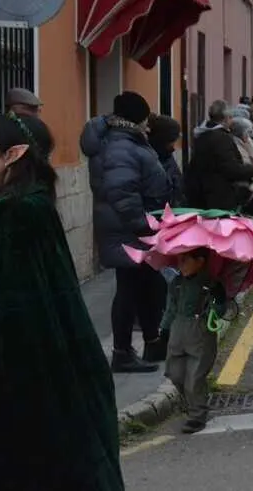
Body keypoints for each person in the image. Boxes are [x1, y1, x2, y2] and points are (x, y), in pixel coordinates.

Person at [0, 112, 124, 489]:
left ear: (13, 154)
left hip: (15, 384)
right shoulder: (4, 210)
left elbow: (13, 310)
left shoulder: (19, 215)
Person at [81, 91, 172, 372]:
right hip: (130, 230)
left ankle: (151, 341)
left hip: (130, 228)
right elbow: (122, 191)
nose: (148, 123)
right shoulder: (122, 146)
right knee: (131, 289)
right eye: (145, 117)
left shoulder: (122, 141)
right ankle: (123, 352)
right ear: (136, 117)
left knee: (148, 286)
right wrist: (144, 226)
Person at [162, 248, 245, 435]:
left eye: (186, 259)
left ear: (200, 261)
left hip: (200, 332)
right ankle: (191, 403)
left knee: (195, 377)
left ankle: (197, 415)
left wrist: (215, 308)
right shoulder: (176, 283)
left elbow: (222, 307)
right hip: (178, 332)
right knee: (175, 373)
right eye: (179, 259)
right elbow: (170, 308)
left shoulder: (211, 284)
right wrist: (164, 329)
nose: (180, 263)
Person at [185, 100, 253, 211]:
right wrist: (252, 169)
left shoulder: (201, 135)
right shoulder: (222, 138)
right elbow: (230, 168)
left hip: (201, 193)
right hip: (219, 197)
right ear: (226, 118)